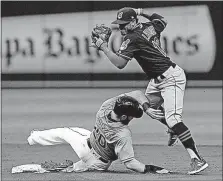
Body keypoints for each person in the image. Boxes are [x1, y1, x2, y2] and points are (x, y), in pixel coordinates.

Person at [91, 7, 208, 174]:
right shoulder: (148, 27)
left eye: (124, 24)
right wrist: (139, 11)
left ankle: (197, 159)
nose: (121, 28)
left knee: (174, 118)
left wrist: (103, 46)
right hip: (157, 80)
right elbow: (162, 20)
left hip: (171, 78)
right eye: (119, 25)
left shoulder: (132, 38)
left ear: (132, 22)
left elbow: (119, 64)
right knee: (145, 107)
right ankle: (173, 128)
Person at [27, 90, 170, 174]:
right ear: (124, 116)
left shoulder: (107, 106)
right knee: (69, 169)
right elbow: (130, 163)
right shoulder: (122, 134)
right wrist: (151, 168)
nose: (133, 118)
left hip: (86, 143)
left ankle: (34, 138)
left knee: (64, 132)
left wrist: (144, 107)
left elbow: (136, 94)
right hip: (98, 163)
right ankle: (37, 167)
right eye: (132, 116)